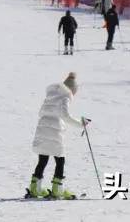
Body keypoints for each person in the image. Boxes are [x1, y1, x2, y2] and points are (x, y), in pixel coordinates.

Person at [27, 72, 87, 200]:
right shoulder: (65, 97)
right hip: (54, 132)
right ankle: (57, 189)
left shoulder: (51, 96)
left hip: (42, 130)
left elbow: (42, 112)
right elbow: (65, 115)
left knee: (42, 159)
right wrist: (80, 124)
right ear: (72, 90)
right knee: (60, 160)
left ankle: (34, 187)